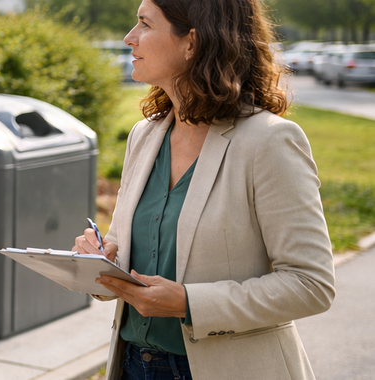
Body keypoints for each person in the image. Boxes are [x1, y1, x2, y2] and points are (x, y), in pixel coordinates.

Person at [72, 0, 335, 379]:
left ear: (192, 42)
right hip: (132, 365)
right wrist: (99, 262)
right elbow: (123, 246)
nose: (130, 39)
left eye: (144, 24)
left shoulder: (270, 142)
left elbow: (311, 284)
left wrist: (188, 302)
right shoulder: (144, 136)